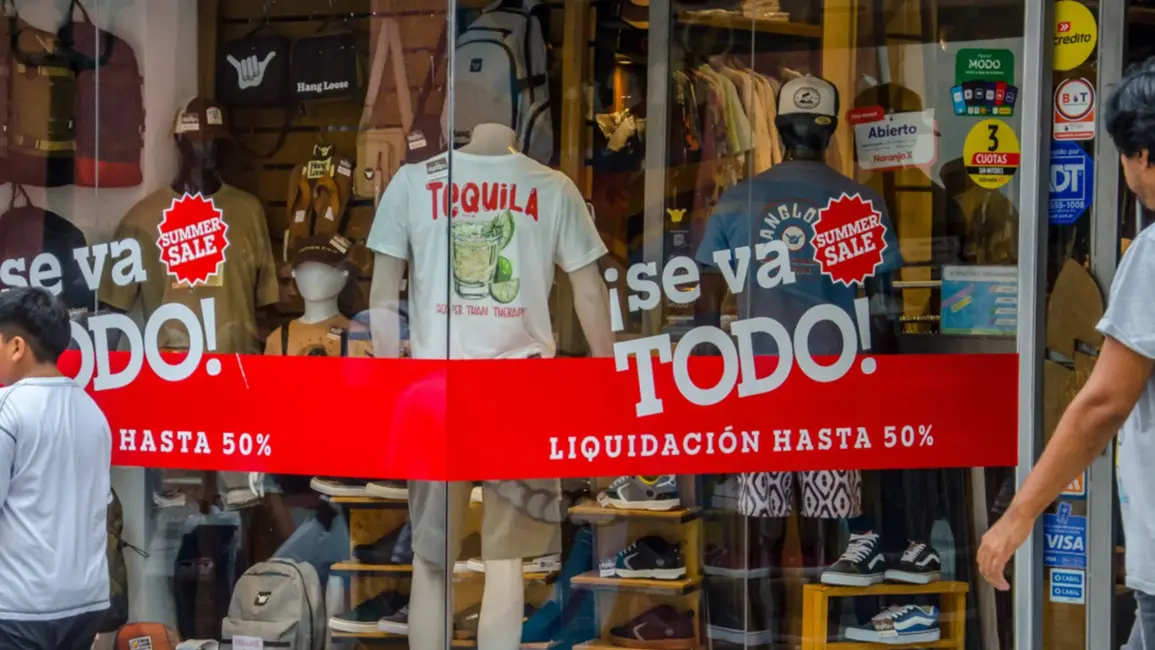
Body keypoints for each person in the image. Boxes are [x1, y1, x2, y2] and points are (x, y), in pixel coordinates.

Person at [977, 59, 1155, 648]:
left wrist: (1019, 513)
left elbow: (1104, 403)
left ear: (1143, 154)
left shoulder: (1153, 255)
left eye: (1124, 155)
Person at [0, 287, 112, 648]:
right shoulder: (93, 412)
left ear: (17, 347)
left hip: (18, 606)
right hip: (86, 603)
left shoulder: (7, 408)